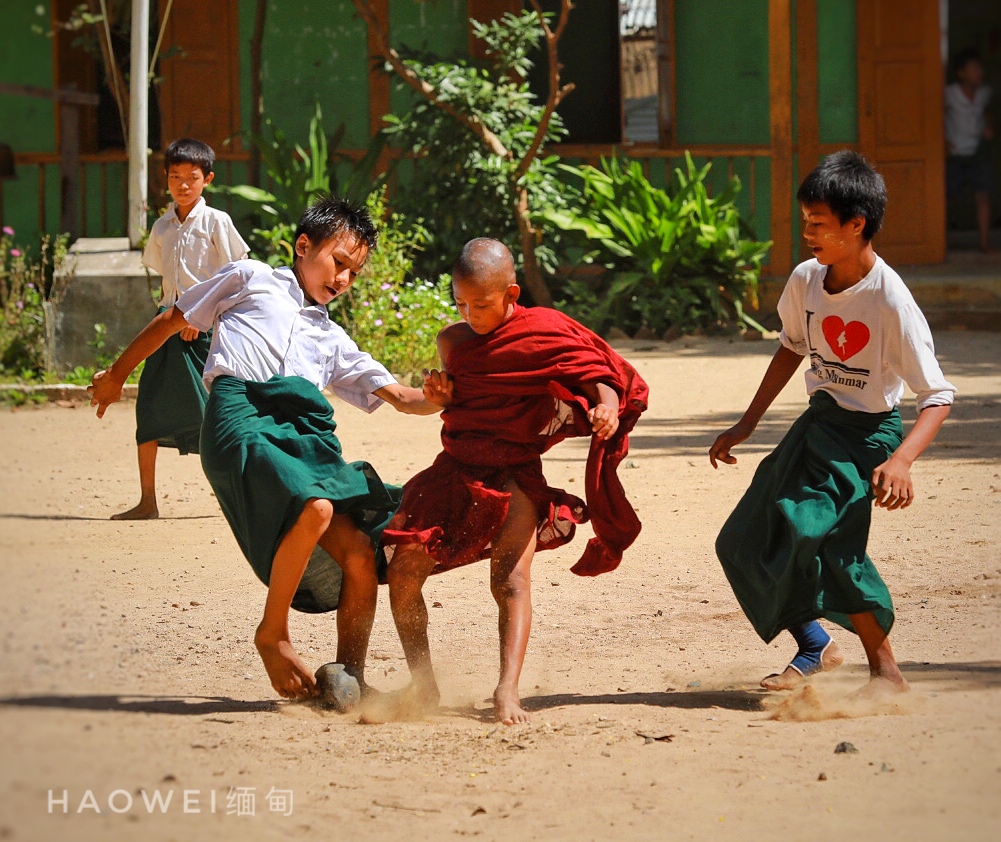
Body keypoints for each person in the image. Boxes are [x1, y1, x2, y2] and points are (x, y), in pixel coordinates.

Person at [89, 197, 447, 705]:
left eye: (354, 272)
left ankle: (351, 677)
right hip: (239, 420)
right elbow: (172, 319)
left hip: (302, 438)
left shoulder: (332, 338)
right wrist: (117, 376)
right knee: (317, 505)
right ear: (304, 246)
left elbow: (404, 399)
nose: (344, 278)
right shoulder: (250, 276)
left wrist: (438, 398)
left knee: (361, 554)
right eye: (337, 262)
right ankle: (272, 633)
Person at [709, 151, 956, 696]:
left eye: (818, 225)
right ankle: (815, 642)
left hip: (869, 436)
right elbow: (791, 347)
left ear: (856, 224)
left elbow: (936, 395)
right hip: (817, 426)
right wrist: (747, 423)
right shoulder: (806, 281)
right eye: (805, 224)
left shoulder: (892, 300)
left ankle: (886, 673)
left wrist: (902, 459)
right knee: (742, 540)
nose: (808, 236)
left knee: (827, 543)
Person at [381, 238, 649, 725]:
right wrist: (436, 397)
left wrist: (606, 404)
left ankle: (507, 690)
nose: (470, 314)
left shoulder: (542, 330)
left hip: (514, 470)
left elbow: (593, 371)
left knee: (511, 580)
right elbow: (446, 401)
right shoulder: (454, 342)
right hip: (457, 466)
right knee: (402, 568)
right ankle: (423, 684)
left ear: (511, 293)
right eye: (460, 303)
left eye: (481, 304)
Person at [114, 137, 250, 520]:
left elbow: (235, 276)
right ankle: (147, 501)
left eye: (192, 177)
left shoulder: (217, 222)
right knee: (148, 411)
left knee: (215, 415)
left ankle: (238, 499)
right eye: (176, 176)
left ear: (207, 179)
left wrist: (202, 317)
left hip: (203, 333)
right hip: (166, 329)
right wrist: (172, 318)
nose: (183, 184)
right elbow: (165, 281)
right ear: (166, 179)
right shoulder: (161, 227)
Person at [945, 48, 995, 253]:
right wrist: (942, 141)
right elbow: (932, 113)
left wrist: (989, 126)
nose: (979, 72)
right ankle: (939, 244)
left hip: (977, 152)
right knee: (948, 198)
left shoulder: (984, 93)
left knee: (983, 197)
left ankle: (984, 244)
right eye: (974, 69)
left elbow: (988, 112)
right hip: (955, 153)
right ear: (961, 73)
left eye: (980, 68)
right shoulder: (949, 94)